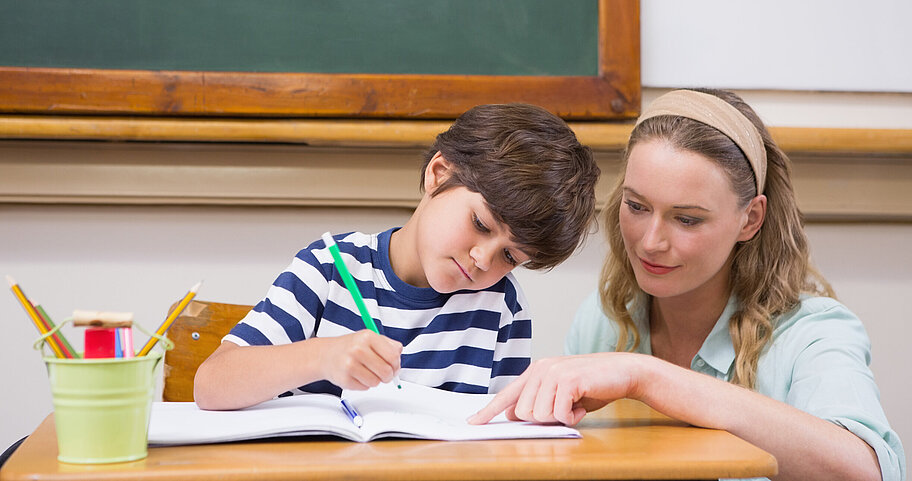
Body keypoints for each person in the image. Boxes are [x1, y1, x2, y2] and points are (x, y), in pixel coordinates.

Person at [469, 89, 905, 481]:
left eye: (687, 219)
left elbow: (863, 471)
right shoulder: (605, 321)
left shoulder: (813, 333)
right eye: (636, 206)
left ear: (750, 219)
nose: (651, 241)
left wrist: (648, 377)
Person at [194, 103, 601, 411]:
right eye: (480, 223)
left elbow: (498, 429)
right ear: (438, 174)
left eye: (510, 257)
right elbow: (211, 385)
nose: (482, 260)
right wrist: (321, 356)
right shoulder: (330, 268)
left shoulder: (502, 308)